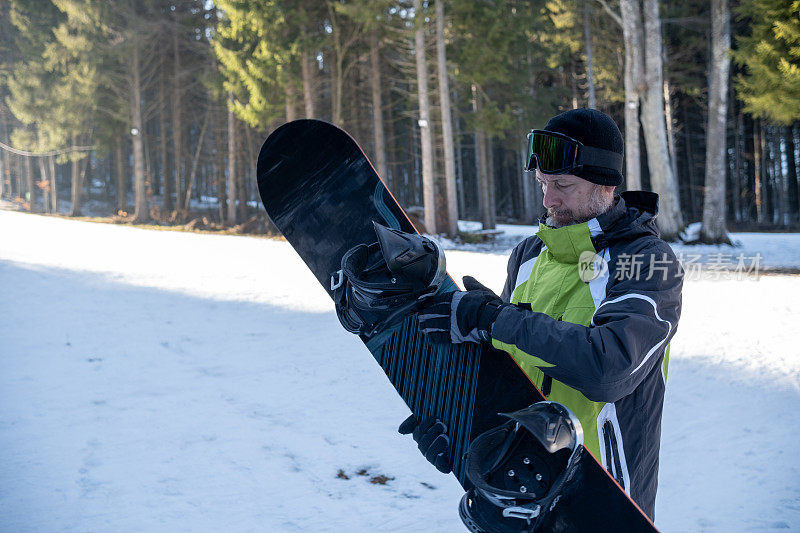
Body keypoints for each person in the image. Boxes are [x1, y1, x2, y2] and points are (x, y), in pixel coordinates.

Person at [400, 107, 683, 520]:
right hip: (521, 495)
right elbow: (507, 370)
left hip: (599, 501)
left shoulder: (645, 260)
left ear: (605, 184)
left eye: (563, 185)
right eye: (542, 183)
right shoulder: (530, 254)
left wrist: (495, 320)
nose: (549, 199)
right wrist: (460, 427)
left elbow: (609, 367)